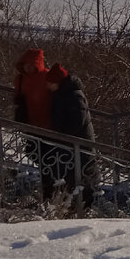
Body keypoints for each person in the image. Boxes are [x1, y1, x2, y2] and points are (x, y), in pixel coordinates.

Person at [46, 64, 98, 208]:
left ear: (58, 82)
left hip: (80, 145)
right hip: (71, 146)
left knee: (82, 178)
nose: (48, 85)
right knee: (74, 177)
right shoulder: (62, 94)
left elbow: (77, 121)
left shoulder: (74, 96)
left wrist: (61, 134)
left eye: (50, 82)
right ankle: (76, 207)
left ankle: (84, 208)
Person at [13, 48, 54, 198]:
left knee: (48, 159)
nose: (28, 67)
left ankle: (49, 190)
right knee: (34, 152)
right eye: (26, 64)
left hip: (48, 125)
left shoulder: (47, 76)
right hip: (30, 124)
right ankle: (48, 189)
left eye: (32, 64)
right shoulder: (21, 78)